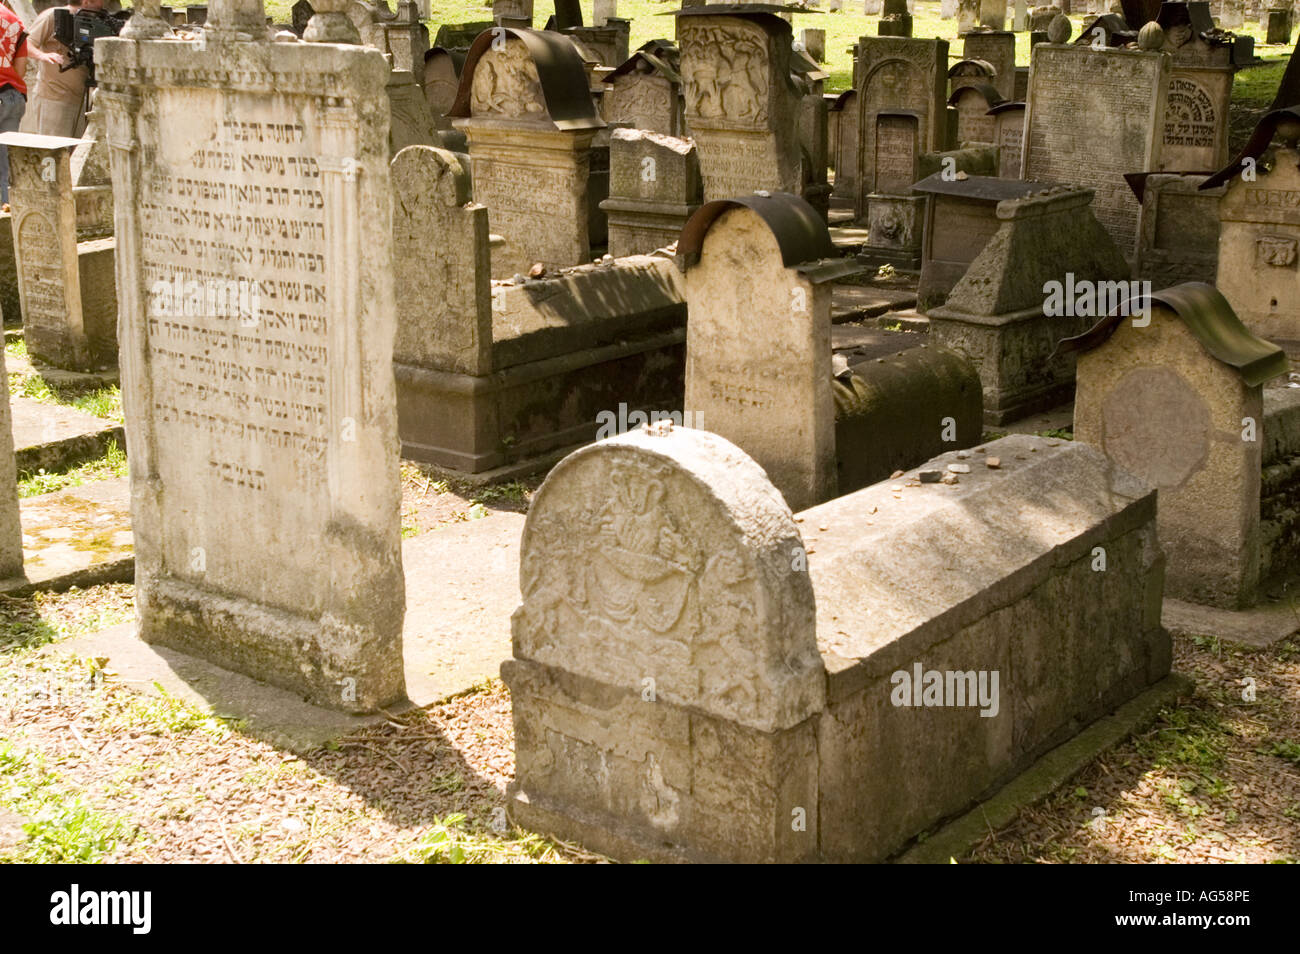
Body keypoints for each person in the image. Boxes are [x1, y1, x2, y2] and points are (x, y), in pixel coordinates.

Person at [19, 0, 97, 139]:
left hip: (80, 101)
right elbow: (26, 43)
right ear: (86, 1)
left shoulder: (92, 21)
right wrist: (42, 55)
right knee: (54, 153)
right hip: (53, 98)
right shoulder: (53, 16)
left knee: (74, 155)